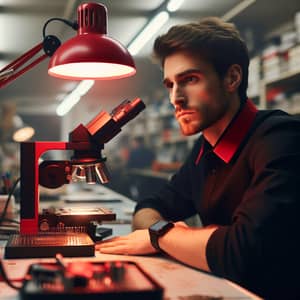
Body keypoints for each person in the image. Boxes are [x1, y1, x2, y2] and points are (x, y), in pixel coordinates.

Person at [97, 17, 300, 299]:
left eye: (189, 79)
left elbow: (241, 253)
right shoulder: (205, 150)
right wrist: (173, 234)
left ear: (232, 78)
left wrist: (162, 236)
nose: (175, 98)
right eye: (170, 85)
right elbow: (150, 206)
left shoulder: (281, 139)